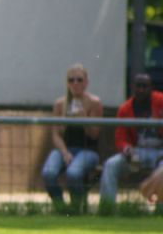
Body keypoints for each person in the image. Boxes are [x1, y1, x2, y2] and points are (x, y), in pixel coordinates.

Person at [40, 64, 103, 214]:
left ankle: (75, 208)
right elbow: (55, 134)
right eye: (71, 80)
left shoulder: (94, 102)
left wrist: (84, 120)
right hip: (65, 148)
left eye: (79, 80)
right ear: (67, 83)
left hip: (88, 150)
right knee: (48, 173)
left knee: (73, 173)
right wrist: (64, 153)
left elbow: (95, 134)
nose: (75, 83)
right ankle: (60, 207)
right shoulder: (60, 104)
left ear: (86, 82)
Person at [99, 73, 163, 213]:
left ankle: (160, 210)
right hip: (137, 151)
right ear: (133, 88)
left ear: (151, 88)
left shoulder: (160, 101)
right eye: (138, 86)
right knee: (111, 164)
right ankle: (107, 209)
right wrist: (127, 150)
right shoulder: (125, 109)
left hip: (160, 151)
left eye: (145, 86)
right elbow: (121, 138)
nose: (141, 90)